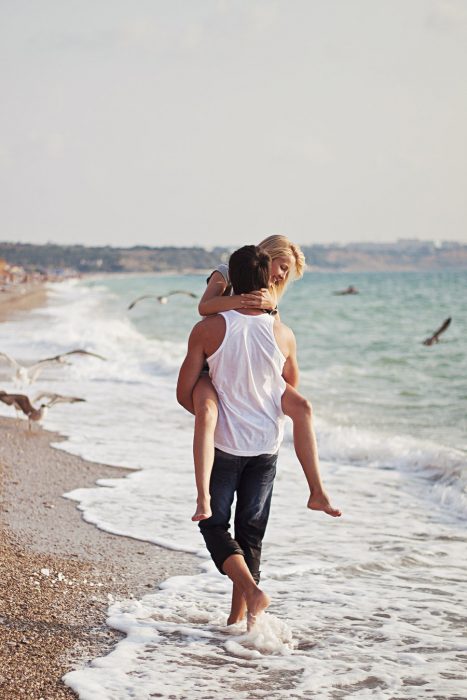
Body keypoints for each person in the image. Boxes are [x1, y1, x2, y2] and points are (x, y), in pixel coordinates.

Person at [177, 245, 341, 629]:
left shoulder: (207, 329)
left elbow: (184, 393)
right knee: (251, 536)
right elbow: (290, 386)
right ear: (269, 277)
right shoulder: (283, 333)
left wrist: (209, 394)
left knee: (215, 526)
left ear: (231, 280)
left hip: (225, 446)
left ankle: (251, 594)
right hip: (266, 445)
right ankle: (242, 625)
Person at [190, 234, 339, 522]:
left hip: (255, 373)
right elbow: (204, 307)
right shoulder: (225, 273)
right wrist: (241, 300)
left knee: (303, 408)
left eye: (287, 272)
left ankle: (317, 491)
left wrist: (271, 307)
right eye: (282, 266)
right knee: (207, 414)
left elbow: (274, 339)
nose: (282, 275)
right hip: (215, 366)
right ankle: (203, 497)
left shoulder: (271, 295)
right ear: (267, 256)